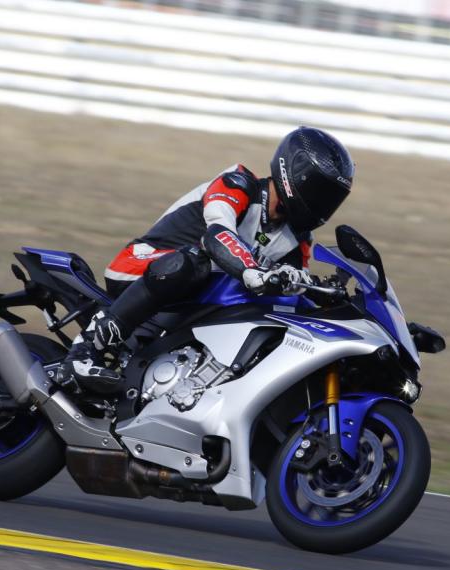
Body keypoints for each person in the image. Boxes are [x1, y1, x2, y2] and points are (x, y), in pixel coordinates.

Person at [58, 126, 355, 392]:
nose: (323, 204)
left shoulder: (298, 238)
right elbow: (217, 234)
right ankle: (86, 351)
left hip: (195, 298)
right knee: (194, 262)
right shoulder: (238, 184)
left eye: (332, 197)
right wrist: (252, 270)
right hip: (142, 269)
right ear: (294, 175)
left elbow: (293, 286)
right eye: (320, 191)